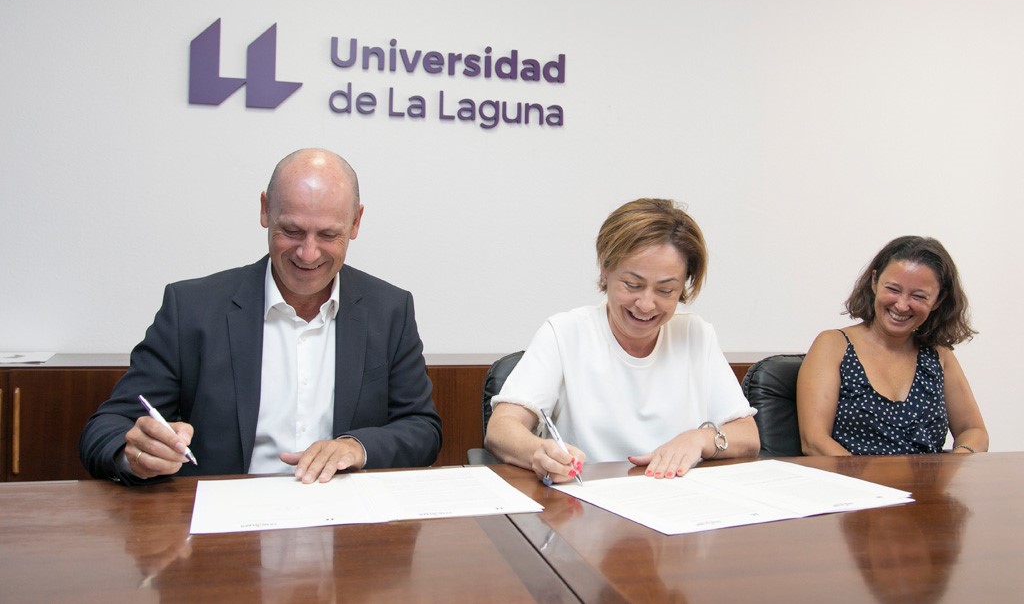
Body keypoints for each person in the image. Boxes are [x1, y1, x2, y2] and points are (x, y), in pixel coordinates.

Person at [80, 148, 441, 484]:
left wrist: (356, 447)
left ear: (356, 222)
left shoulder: (390, 310)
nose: (308, 253)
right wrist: (134, 454)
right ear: (265, 210)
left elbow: (423, 429)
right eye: (292, 231)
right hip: (222, 530)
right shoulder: (192, 308)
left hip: (347, 527)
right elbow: (107, 427)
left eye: (329, 235)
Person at [484, 198, 759, 483]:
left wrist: (699, 439)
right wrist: (539, 451)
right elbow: (502, 427)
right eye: (632, 285)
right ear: (605, 269)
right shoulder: (565, 333)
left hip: (677, 507)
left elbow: (748, 435)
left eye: (666, 290)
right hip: (588, 509)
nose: (646, 304)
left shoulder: (695, 335)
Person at [796, 236, 987, 456]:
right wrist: (871, 487)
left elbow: (974, 430)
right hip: (854, 485)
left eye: (918, 296)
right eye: (894, 289)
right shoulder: (833, 345)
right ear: (874, 281)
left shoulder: (939, 355)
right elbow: (814, 441)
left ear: (938, 300)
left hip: (929, 489)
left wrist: (958, 459)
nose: (902, 305)